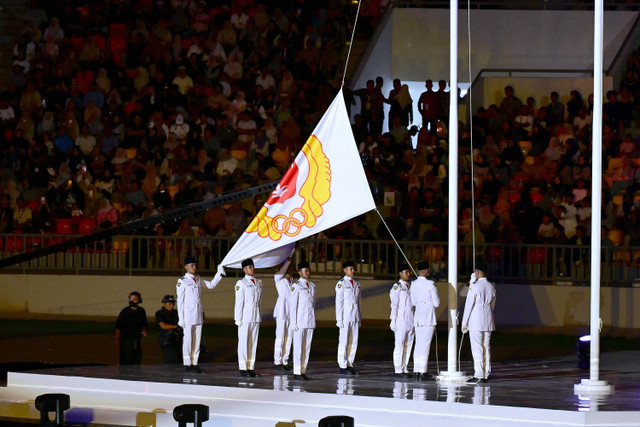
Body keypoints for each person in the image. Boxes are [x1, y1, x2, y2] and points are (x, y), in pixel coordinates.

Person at [176, 256, 225, 373]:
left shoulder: (197, 279)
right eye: (191, 265)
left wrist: (219, 273)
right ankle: (188, 364)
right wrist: (180, 317)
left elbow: (211, 285)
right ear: (186, 267)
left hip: (198, 314)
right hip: (188, 314)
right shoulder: (182, 281)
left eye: (195, 265)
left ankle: (195, 363)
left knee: (197, 339)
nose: (194, 267)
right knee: (188, 339)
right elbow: (180, 300)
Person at [461, 262, 496, 384]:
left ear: (477, 273)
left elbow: (468, 305)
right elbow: (493, 304)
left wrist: (464, 322)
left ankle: (479, 374)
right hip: (488, 318)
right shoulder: (491, 286)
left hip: (476, 319)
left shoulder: (474, 286)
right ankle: (486, 373)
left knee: (477, 347)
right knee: (486, 346)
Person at [410, 261, 439, 381]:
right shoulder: (431, 284)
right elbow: (437, 303)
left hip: (418, 316)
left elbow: (413, 302)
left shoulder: (413, 284)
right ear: (427, 271)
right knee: (425, 345)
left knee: (418, 344)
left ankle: (417, 370)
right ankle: (423, 371)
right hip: (428, 316)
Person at [289, 261, 317, 381]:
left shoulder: (313, 285)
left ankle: (303, 370)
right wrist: (293, 321)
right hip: (299, 321)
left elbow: (313, 303)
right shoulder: (296, 286)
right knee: (298, 347)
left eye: (309, 270)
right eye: (306, 271)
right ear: (300, 273)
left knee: (306, 347)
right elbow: (293, 305)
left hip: (309, 320)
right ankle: (297, 371)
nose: (308, 272)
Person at [235, 258, 263, 377]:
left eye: (252, 266)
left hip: (255, 316)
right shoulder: (241, 283)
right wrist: (238, 318)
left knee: (253, 343)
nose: (252, 269)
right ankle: (243, 368)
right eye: (249, 267)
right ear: (244, 270)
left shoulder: (259, 282)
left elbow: (260, 301)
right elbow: (239, 302)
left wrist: (259, 315)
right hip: (245, 316)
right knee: (243, 343)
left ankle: (250, 367)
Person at [335, 260, 362, 375]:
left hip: (355, 315)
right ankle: (342, 364)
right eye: (350, 269)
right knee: (344, 341)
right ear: (345, 270)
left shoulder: (357, 283)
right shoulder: (341, 283)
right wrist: (339, 319)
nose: (353, 271)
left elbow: (359, 302)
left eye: (353, 269)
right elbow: (339, 302)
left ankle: (350, 363)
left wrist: (360, 317)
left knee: (353, 340)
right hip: (345, 315)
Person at [389, 263, 415, 377]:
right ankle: (398, 369)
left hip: (411, 317)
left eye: (409, 272)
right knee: (399, 344)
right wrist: (393, 319)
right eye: (406, 272)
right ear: (400, 274)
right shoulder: (397, 287)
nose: (408, 274)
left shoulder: (411, 286)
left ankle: (405, 367)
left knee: (408, 344)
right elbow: (394, 305)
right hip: (401, 318)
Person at [114, 291, 148, 365]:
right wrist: (117, 342)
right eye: (131, 299)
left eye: (135, 299)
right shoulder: (125, 312)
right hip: (126, 341)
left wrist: (144, 331)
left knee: (137, 359)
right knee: (126, 360)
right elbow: (118, 328)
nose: (132, 301)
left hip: (136, 340)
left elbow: (144, 324)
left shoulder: (141, 311)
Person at [273, 257, 293, 371]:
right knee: (280, 335)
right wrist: (288, 259)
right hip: (282, 309)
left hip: (290, 310)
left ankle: (285, 360)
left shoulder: (291, 280)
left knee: (288, 336)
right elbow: (281, 272)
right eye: (287, 265)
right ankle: (277, 360)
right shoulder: (278, 277)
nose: (289, 267)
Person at [155, 295, 182, 364]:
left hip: (177, 339)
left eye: (173, 304)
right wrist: (176, 327)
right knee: (170, 359)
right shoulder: (160, 313)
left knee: (179, 358)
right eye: (169, 304)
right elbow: (163, 326)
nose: (171, 305)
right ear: (164, 304)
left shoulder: (176, 312)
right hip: (166, 340)